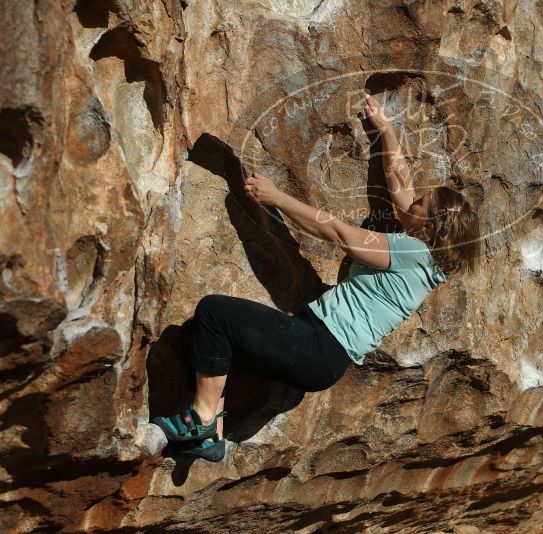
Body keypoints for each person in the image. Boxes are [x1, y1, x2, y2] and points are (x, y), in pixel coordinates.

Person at [152, 90, 481, 462]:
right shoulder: (425, 257)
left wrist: (277, 198)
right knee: (229, 345)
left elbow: (340, 234)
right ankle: (214, 424)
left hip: (317, 345)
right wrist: (385, 130)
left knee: (215, 314)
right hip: (321, 353)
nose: (416, 201)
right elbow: (402, 188)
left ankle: (203, 423)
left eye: (425, 204)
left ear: (430, 226)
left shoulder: (413, 252)